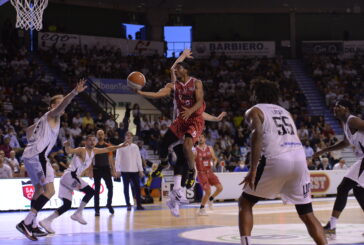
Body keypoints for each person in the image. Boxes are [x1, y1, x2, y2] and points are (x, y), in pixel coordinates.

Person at [238, 79, 327, 245]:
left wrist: (253, 169)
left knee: (245, 202)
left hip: (276, 158)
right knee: (307, 213)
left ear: (256, 94)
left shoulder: (254, 110)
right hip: (299, 159)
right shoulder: (286, 112)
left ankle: (246, 243)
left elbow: (257, 135)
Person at [16, 79, 87, 241]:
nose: (63, 105)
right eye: (60, 103)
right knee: (50, 191)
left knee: (40, 190)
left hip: (29, 155)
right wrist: (74, 92)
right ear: (53, 106)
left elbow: (28, 132)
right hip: (38, 156)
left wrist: (37, 136)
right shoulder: (53, 115)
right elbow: (62, 106)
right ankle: (26, 223)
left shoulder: (45, 118)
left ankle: (33, 225)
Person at [137, 49, 205, 192]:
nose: (176, 70)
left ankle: (191, 171)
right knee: (162, 145)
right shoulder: (173, 85)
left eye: (179, 68)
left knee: (186, 147)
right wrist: (140, 92)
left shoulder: (196, 83)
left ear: (185, 71)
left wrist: (190, 110)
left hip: (194, 119)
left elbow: (200, 102)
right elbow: (158, 94)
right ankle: (164, 163)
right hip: (181, 120)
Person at [39, 136, 128, 234]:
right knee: (91, 192)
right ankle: (78, 213)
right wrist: (67, 146)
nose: (92, 142)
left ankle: (46, 221)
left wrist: (120, 146)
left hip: (68, 179)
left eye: (94, 140)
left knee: (67, 205)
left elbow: (107, 149)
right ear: (86, 142)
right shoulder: (81, 150)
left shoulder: (94, 151)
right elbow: (70, 151)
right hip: (70, 176)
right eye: (90, 140)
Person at [313, 100, 364, 238]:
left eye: (338, 106)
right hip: (361, 159)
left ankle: (331, 225)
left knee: (343, 188)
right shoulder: (346, 124)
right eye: (334, 106)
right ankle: (332, 225)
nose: (335, 109)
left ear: (346, 108)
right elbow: (345, 143)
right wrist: (324, 150)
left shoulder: (353, 120)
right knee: (358, 190)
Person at [115, 132, 145, 211]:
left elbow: (138, 159)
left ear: (132, 137)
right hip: (124, 171)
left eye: (130, 136)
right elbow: (117, 159)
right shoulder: (120, 146)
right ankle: (128, 204)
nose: (128, 137)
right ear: (124, 137)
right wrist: (117, 170)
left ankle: (139, 205)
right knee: (126, 188)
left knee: (137, 188)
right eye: (127, 136)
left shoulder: (135, 147)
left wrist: (141, 170)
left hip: (135, 170)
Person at [195, 134, 223, 216]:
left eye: (202, 137)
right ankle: (201, 208)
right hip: (201, 173)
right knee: (208, 191)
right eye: (199, 137)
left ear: (205, 139)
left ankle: (211, 199)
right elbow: (192, 162)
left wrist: (213, 163)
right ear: (197, 139)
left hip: (209, 171)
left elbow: (215, 159)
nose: (200, 139)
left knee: (220, 188)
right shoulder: (195, 150)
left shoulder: (210, 148)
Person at [93, 129, 116, 216]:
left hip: (106, 168)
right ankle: (97, 210)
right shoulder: (94, 146)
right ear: (96, 135)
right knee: (96, 190)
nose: (100, 136)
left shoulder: (108, 146)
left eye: (102, 134)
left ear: (104, 135)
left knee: (110, 188)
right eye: (99, 134)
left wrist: (113, 170)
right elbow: (91, 159)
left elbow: (111, 159)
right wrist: (90, 171)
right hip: (96, 169)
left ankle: (109, 204)